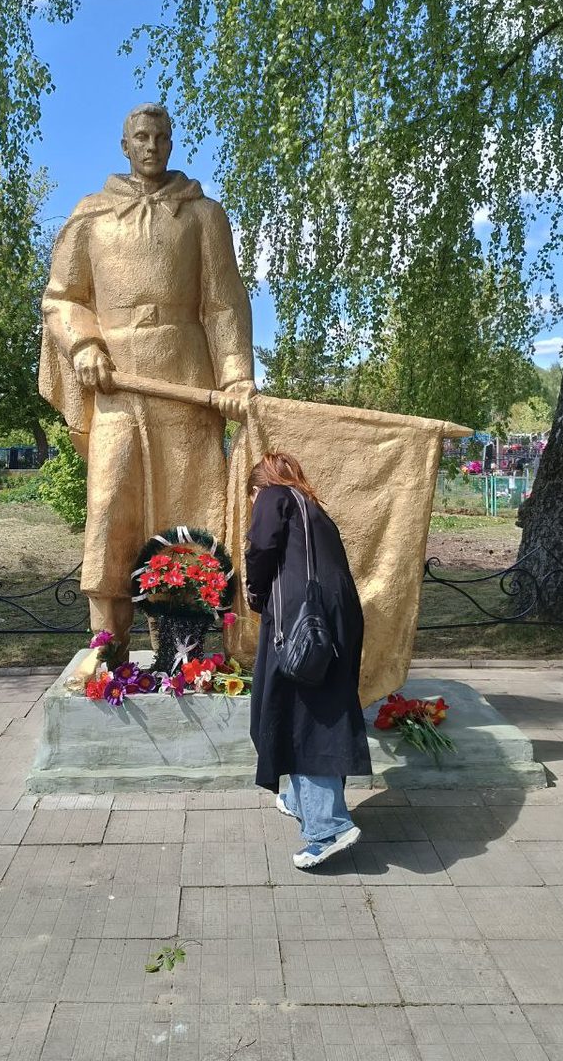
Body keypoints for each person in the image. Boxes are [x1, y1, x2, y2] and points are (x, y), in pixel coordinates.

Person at [39, 103, 255, 650]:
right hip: (118, 387)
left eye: (161, 136)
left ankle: (182, 645)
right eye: (142, 137)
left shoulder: (204, 215)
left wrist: (234, 377)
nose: (152, 146)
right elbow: (62, 298)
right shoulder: (91, 216)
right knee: (111, 505)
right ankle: (105, 645)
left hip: (186, 383)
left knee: (188, 509)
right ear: (126, 146)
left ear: (172, 143)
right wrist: (84, 343)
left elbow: (224, 305)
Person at [245, 452, 371, 870]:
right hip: (333, 618)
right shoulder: (313, 510)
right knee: (318, 708)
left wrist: (253, 592)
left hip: (301, 621)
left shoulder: (273, 496)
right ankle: (302, 801)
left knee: (304, 716)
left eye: (250, 497)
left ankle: (328, 828)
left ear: (258, 486)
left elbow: (261, 547)